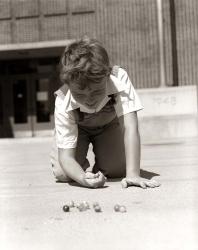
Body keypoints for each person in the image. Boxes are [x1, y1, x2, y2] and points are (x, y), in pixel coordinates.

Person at [50, 36, 160, 189]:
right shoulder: (63, 99)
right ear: (68, 84)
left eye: (96, 92)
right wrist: (82, 178)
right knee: (64, 173)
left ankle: (105, 164)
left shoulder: (118, 77)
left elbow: (130, 127)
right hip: (78, 130)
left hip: (109, 125)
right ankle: (83, 167)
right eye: (80, 95)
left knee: (117, 170)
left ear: (107, 76)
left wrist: (133, 174)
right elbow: (66, 157)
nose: (89, 100)